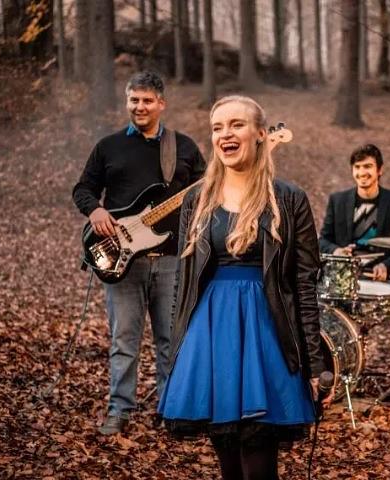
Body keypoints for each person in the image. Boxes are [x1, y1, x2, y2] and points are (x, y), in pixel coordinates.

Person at [158, 95, 326, 480]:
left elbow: (303, 286)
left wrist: (315, 364)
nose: (225, 134)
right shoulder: (196, 200)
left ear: (261, 134)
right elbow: (183, 282)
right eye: (217, 127)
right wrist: (175, 355)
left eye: (236, 125)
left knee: (259, 460)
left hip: (267, 335)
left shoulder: (289, 199)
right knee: (229, 463)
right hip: (210, 336)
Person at [72, 71, 206, 435]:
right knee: (124, 341)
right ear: (127, 101)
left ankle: (170, 409)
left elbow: (207, 194)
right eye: (134, 100)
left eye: (147, 100)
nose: (140, 106)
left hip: (172, 260)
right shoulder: (108, 147)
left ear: (162, 104)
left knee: (171, 340)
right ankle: (119, 410)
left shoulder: (185, 148)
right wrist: (95, 210)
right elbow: (83, 188)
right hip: (121, 261)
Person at [318, 144, 390, 369]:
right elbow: (323, 240)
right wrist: (337, 251)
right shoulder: (338, 200)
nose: (362, 172)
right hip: (345, 278)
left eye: (368, 167)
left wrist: (388, 266)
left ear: (379, 170)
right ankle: (334, 368)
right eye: (358, 167)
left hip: (383, 276)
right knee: (320, 309)